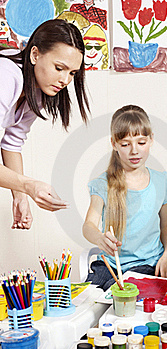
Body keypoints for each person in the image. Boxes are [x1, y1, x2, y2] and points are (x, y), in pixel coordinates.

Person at [0, 19, 89, 229]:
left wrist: (20, 197)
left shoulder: (38, 91)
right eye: (59, 68)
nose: (65, 80)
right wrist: (29, 186)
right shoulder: (6, 77)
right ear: (34, 55)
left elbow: (12, 143)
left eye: (72, 73)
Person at [83, 105, 167, 291]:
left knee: (118, 296)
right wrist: (99, 238)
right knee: (88, 299)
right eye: (125, 144)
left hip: (146, 265)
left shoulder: (162, 181)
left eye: (141, 142)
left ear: (151, 140)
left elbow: (165, 225)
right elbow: (88, 225)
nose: (134, 151)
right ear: (114, 144)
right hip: (110, 265)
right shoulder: (102, 183)